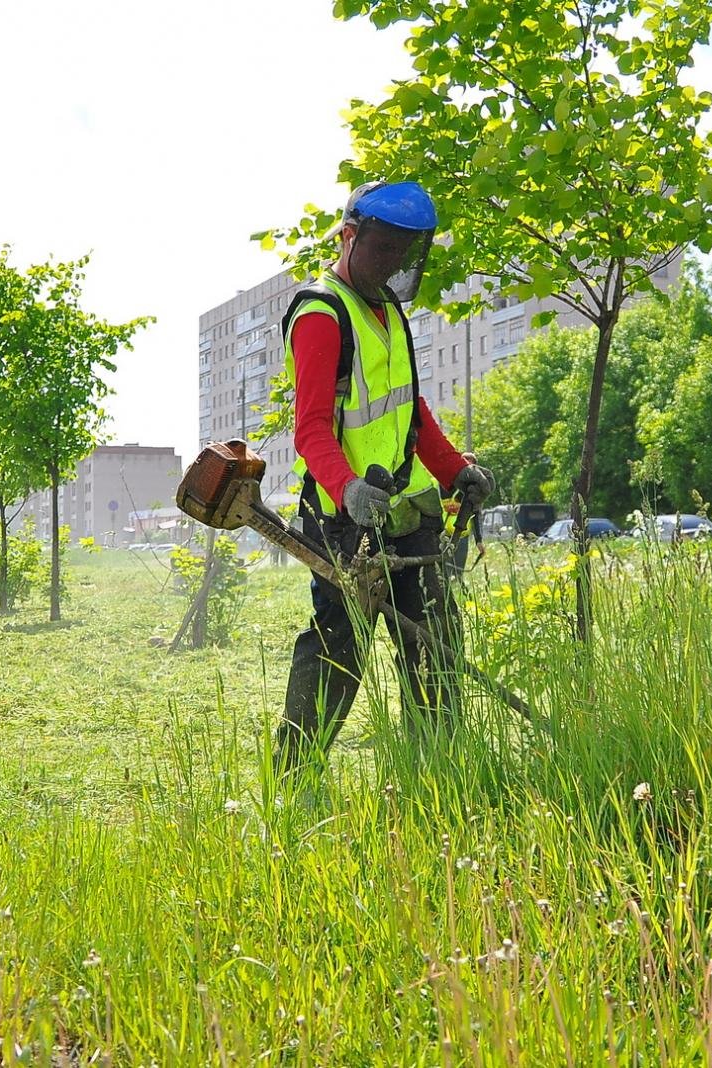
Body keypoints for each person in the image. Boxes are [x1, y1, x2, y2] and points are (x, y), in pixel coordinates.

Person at [275, 180, 494, 774]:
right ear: (350, 237)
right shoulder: (322, 315)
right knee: (337, 651)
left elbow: (411, 412)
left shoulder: (389, 312)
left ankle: (437, 769)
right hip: (345, 522)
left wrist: (455, 472)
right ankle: (292, 781)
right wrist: (348, 489)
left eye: (404, 251)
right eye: (383, 249)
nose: (393, 262)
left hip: (405, 511)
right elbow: (312, 429)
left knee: (435, 646)